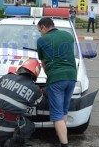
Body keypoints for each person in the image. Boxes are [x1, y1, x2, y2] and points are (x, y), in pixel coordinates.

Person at [36, 17, 77, 147]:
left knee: (57, 114)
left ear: (43, 27)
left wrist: (51, 75)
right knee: (64, 111)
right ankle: (61, 138)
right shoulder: (68, 35)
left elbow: (44, 64)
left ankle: (64, 145)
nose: (40, 33)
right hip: (72, 76)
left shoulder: (42, 40)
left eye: (39, 30)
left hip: (56, 79)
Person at [0, 59, 44, 147]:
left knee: (12, 116)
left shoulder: (6, 77)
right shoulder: (35, 89)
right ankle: (13, 143)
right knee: (29, 126)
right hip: (6, 127)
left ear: (21, 69)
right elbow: (40, 103)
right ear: (35, 75)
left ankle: (4, 142)